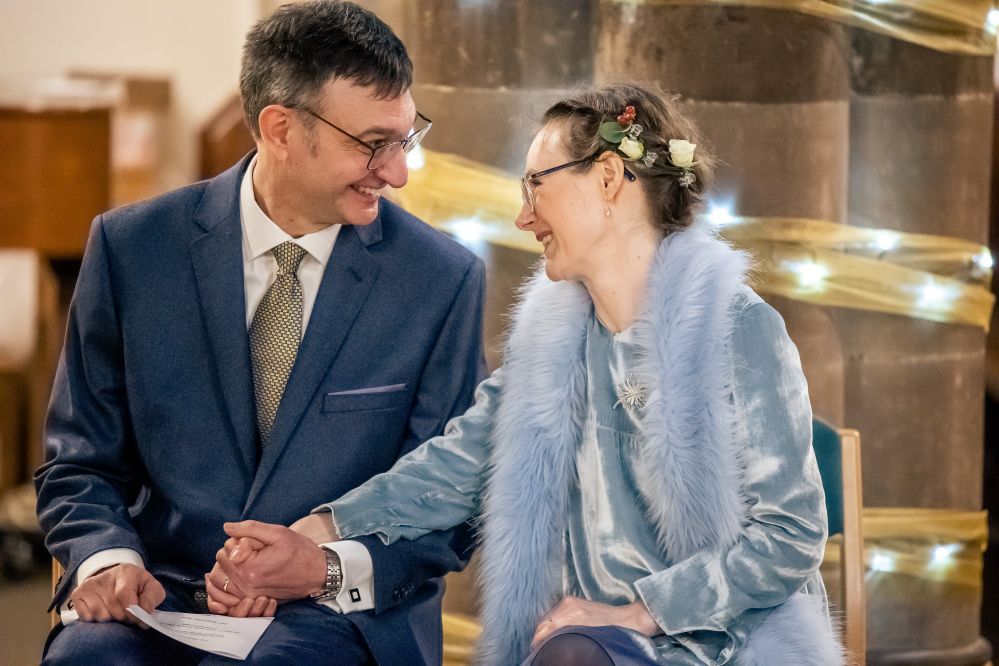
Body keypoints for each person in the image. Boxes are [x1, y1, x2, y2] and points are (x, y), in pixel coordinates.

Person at [209, 83, 843, 665]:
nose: (524, 217)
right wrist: (313, 531)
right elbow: (453, 468)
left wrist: (640, 612)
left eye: (536, 184)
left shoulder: (737, 327)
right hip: (587, 645)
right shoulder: (549, 345)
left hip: (721, 640)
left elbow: (790, 535)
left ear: (608, 178)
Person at [34, 2, 485, 664]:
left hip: (333, 619)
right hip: (154, 599)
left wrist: (324, 566)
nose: (397, 172)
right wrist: (107, 559)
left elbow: (454, 502)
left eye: (404, 137)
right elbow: (79, 459)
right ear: (279, 128)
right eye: (371, 143)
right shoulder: (132, 249)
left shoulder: (441, 280)